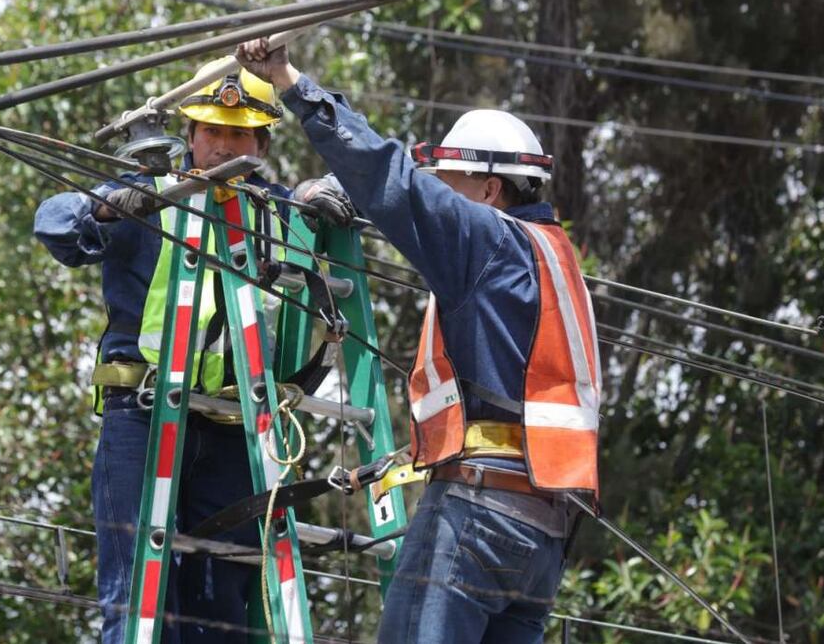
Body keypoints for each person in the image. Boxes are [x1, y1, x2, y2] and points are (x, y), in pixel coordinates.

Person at [237, 39, 602, 644]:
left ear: (489, 190)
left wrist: (292, 83)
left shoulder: (486, 239)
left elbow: (392, 180)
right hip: (543, 536)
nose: (443, 196)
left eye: (451, 182)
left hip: (479, 514)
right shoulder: (559, 264)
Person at [35, 60, 316, 644]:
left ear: (260, 143)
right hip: (142, 416)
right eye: (210, 131)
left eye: (237, 134)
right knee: (137, 596)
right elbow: (55, 224)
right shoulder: (153, 196)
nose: (221, 146)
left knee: (222, 610)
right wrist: (108, 207)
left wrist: (326, 200)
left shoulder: (281, 213)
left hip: (234, 431)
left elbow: (332, 260)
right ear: (188, 136)